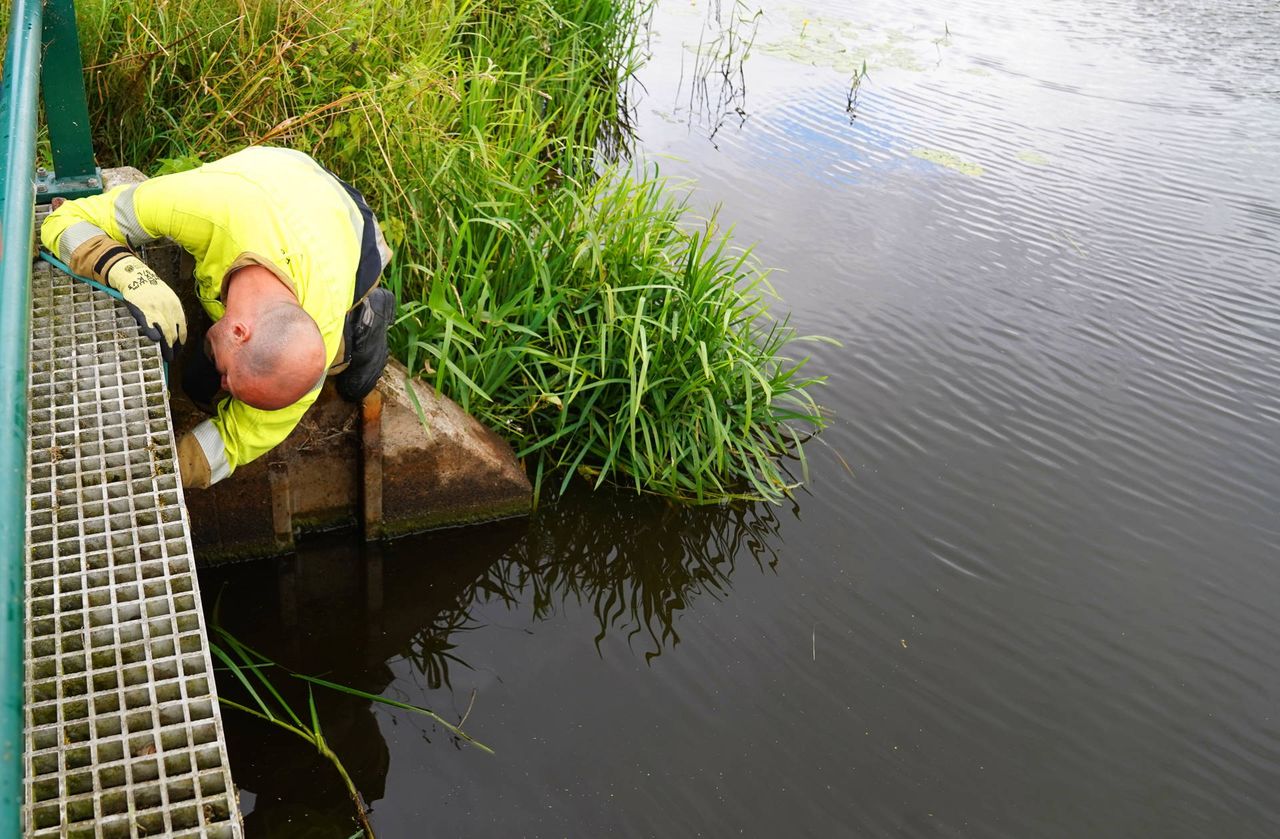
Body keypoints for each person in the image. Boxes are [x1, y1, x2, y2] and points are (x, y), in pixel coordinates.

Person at [41, 145, 395, 489]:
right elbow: (64, 221)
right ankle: (365, 314)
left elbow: (250, 432)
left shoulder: (318, 330)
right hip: (291, 182)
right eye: (231, 377)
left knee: (349, 380)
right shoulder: (199, 205)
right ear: (240, 331)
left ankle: (362, 319)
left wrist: (164, 475)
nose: (227, 388)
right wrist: (132, 275)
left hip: (338, 231)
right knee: (201, 384)